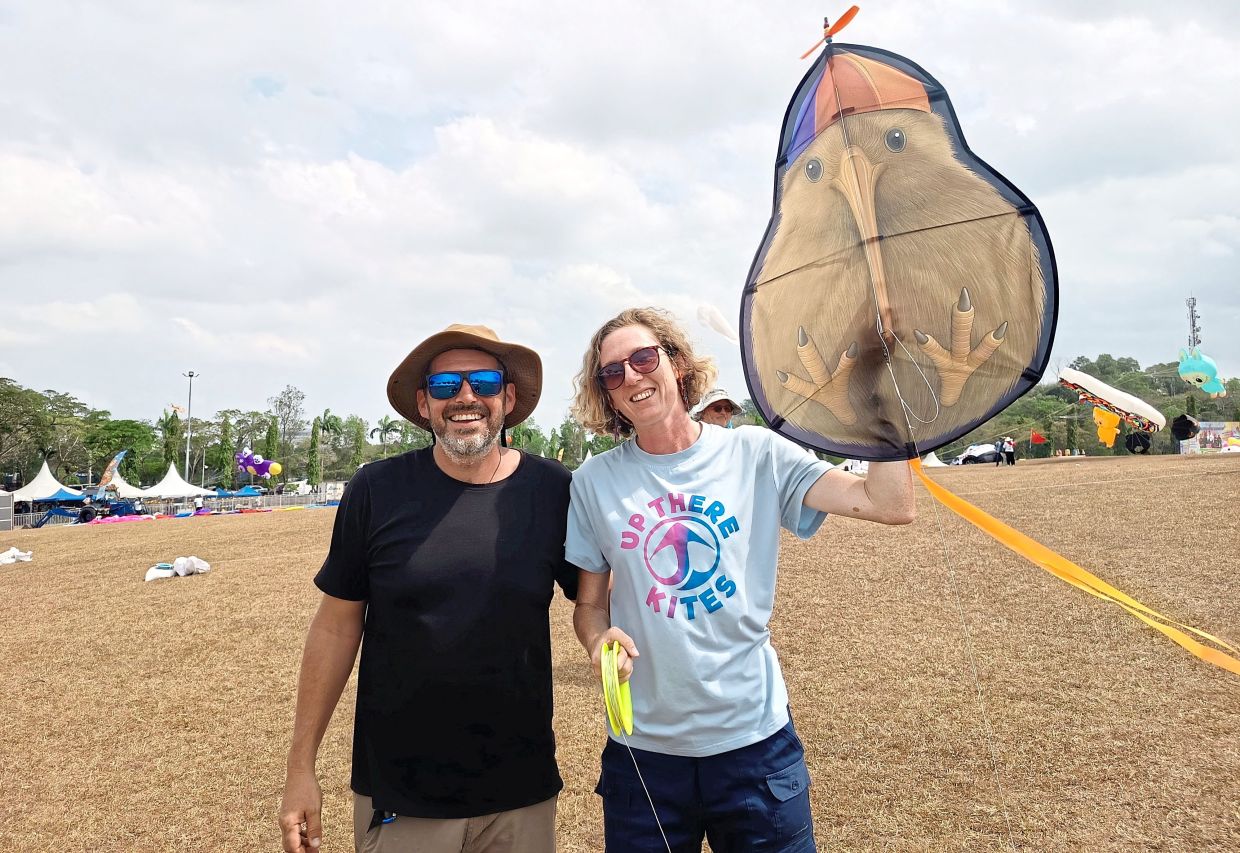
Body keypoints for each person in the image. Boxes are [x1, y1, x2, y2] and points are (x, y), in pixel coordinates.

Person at [566, 307, 915, 852]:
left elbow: (889, 504)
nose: (631, 376)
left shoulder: (756, 453)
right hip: (645, 757)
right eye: (613, 373)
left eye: (642, 358)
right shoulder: (593, 482)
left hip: (754, 746)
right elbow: (589, 606)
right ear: (606, 395)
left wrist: (883, 393)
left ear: (677, 365)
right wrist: (597, 638)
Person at [279, 324, 577, 853]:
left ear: (508, 397)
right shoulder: (376, 489)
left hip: (521, 794)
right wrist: (301, 767)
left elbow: (598, 602)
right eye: (445, 386)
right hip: (402, 794)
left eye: (483, 381)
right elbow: (335, 626)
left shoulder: (553, 489)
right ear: (424, 404)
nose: (466, 397)